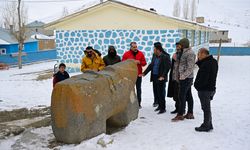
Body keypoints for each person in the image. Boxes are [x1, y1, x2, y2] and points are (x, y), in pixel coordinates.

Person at [142, 42, 171, 114]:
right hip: (154, 76)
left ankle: (163, 108)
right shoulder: (154, 56)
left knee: (161, 93)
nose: (153, 50)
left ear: (158, 50)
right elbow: (151, 65)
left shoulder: (165, 56)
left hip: (161, 77)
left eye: (154, 49)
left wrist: (163, 76)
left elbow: (167, 67)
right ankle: (159, 105)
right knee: (157, 92)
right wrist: (144, 73)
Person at [194, 48, 218, 132]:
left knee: (206, 108)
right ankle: (209, 124)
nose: (198, 56)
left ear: (204, 54)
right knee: (207, 107)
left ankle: (206, 125)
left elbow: (204, 78)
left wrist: (196, 85)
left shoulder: (206, 64)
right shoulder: (213, 61)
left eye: (199, 54)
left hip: (205, 90)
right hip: (211, 89)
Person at [172, 38, 196, 122]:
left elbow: (190, 67)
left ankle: (180, 114)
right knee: (188, 95)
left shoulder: (190, 53)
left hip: (187, 78)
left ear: (184, 45)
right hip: (183, 78)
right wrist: (176, 58)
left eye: (180, 45)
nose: (179, 46)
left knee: (182, 96)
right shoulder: (182, 52)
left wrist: (183, 76)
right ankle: (190, 113)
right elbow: (180, 64)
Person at [122, 42, 147, 108]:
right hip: (130, 75)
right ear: (130, 47)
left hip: (138, 75)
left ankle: (138, 103)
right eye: (133, 47)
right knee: (130, 89)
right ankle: (130, 103)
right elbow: (123, 63)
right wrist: (130, 62)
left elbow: (144, 63)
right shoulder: (126, 54)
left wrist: (139, 62)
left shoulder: (141, 53)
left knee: (138, 89)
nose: (135, 48)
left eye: (136, 47)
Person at [167, 42, 181, 114]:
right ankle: (177, 108)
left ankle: (181, 110)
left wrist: (177, 59)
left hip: (180, 78)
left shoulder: (183, 55)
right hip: (174, 77)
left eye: (178, 46)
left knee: (180, 95)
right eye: (176, 46)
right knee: (175, 95)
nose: (177, 47)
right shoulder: (175, 54)